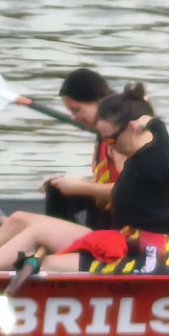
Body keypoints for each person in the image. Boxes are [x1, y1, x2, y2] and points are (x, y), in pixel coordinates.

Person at [0, 84, 169, 275]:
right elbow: (156, 126)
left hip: (148, 259)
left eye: (110, 140)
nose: (109, 146)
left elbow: (166, 160)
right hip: (120, 241)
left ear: (132, 128)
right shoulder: (148, 144)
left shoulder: (160, 159)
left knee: (46, 263)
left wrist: (79, 186)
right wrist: (150, 121)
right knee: (25, 224)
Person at [43, 68, 118, 227]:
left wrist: (80, 186)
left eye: (76, 110)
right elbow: (111, 179)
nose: (74, 118)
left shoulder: (121, 138)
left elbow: (131, 191)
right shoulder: (103, 134)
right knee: (56, 188)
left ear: (99, 101)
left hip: (122, 226)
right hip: (105, 215)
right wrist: (69, 183)